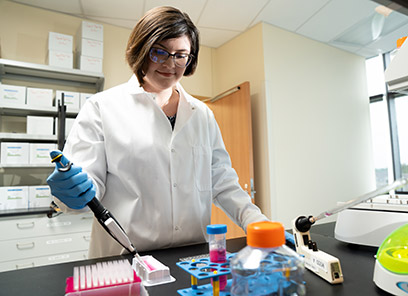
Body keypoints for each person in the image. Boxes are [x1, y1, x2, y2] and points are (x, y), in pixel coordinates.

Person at [47, 6, 294, 259]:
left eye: (180, 55)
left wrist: (257, 222)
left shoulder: (202, 114)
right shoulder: (102, 108)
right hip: (126, 260)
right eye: (159, 52)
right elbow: (87, 189)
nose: (170, 63)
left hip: (193, 260)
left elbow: (222, 183)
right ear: (141, 50)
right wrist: (71, 193)